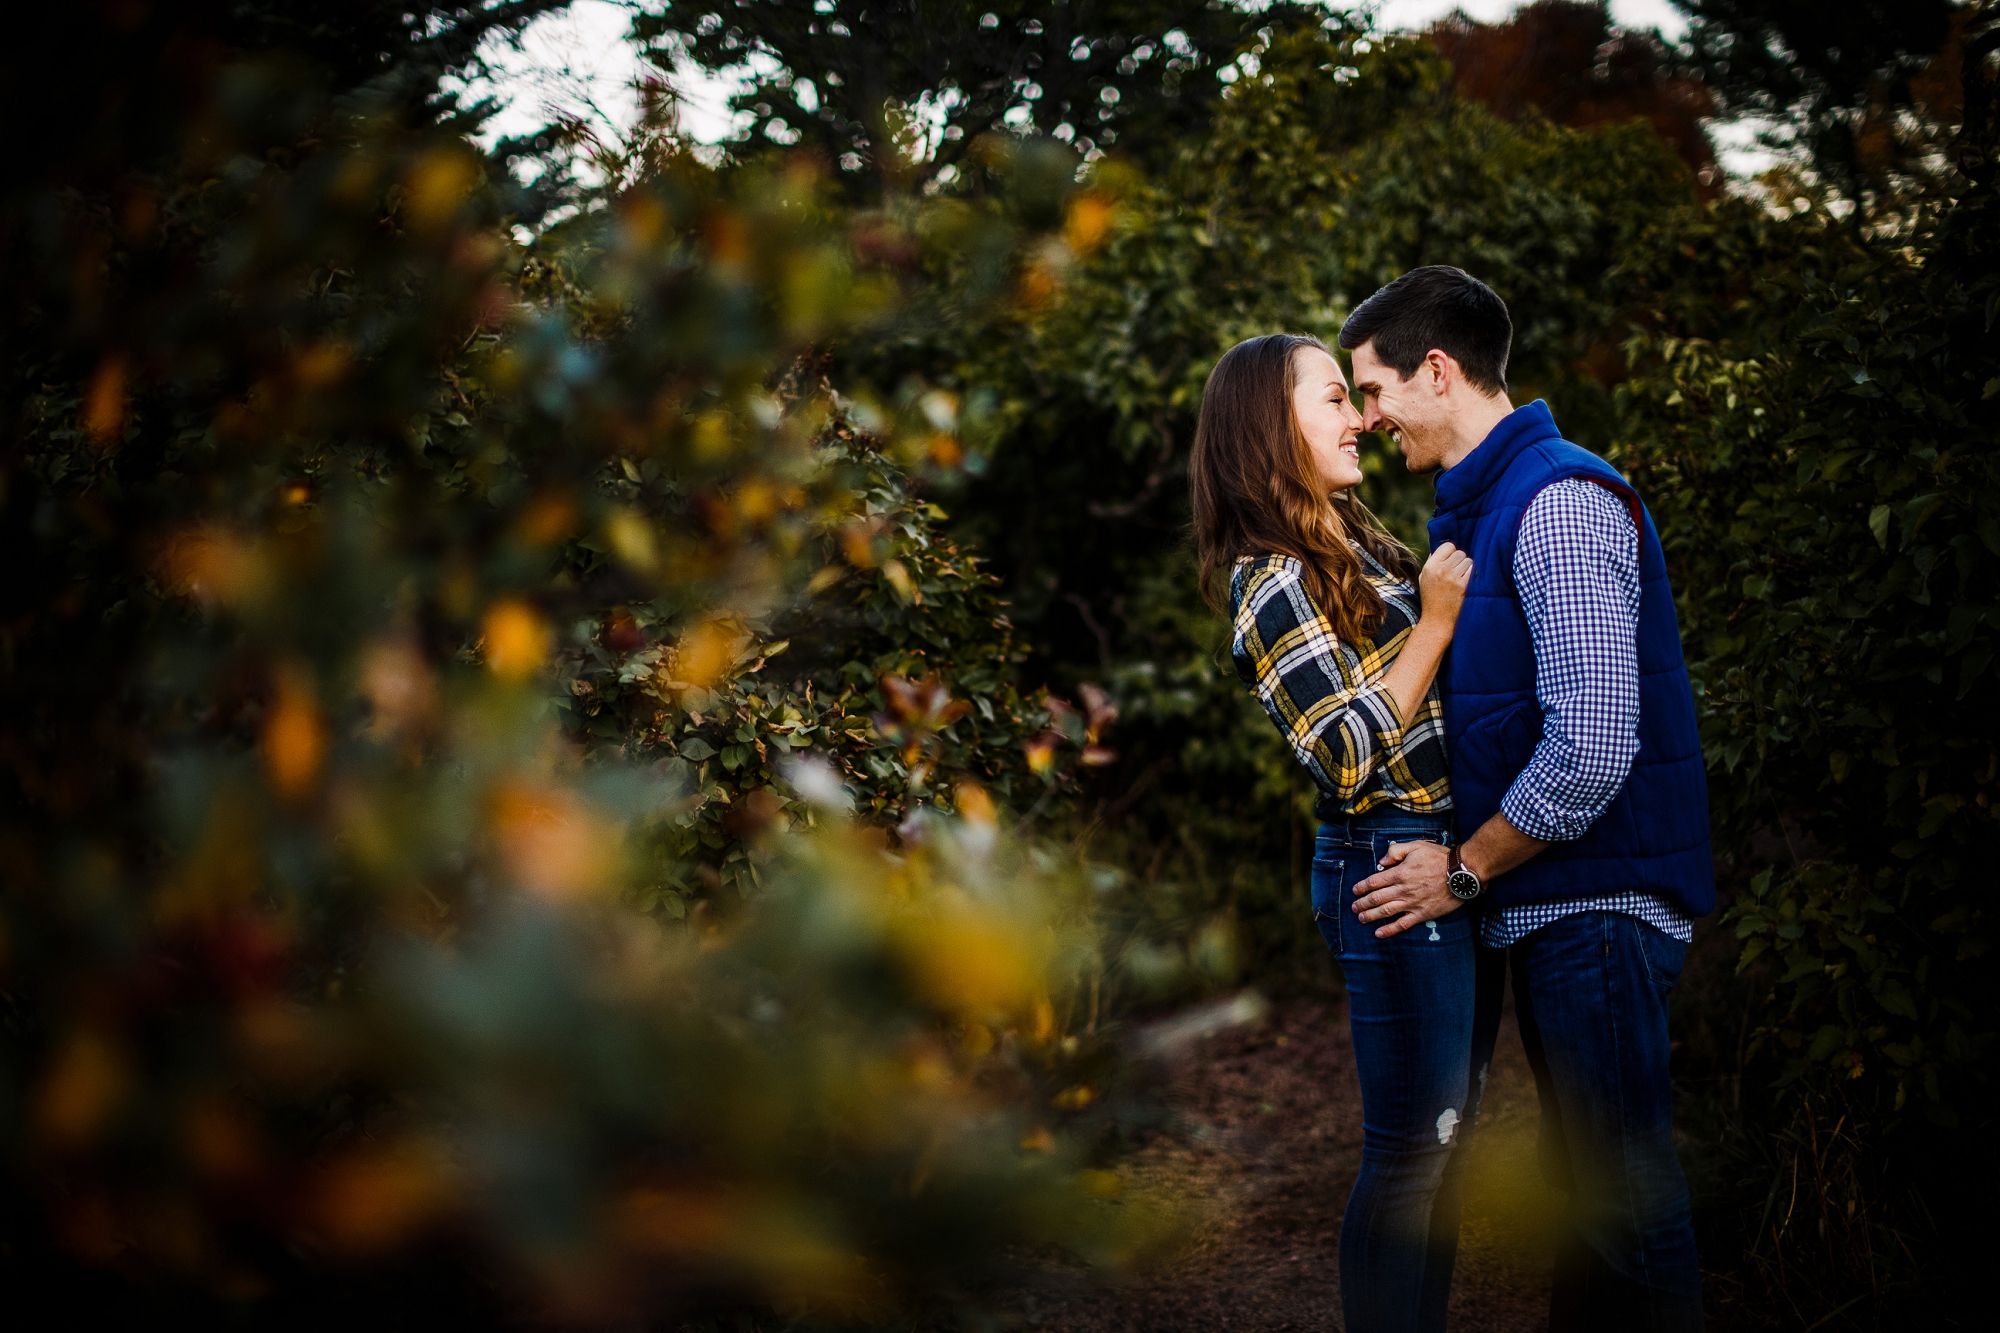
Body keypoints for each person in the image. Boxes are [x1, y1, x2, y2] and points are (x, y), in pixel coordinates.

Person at [1338, 266, 1713, 1332]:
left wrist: (1462, 871)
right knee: (1589, 1201)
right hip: (1562, 909)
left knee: (1622, 1201)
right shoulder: (1495, 509)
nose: (1367, 420)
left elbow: (1591, 747)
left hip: (1595, 912)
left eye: (1374, 390)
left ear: (1438, 371)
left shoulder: (1553, 503)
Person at [1190, 332, 1481, 1333]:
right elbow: (1345, 755)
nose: (1357, 415)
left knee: (1438, 1149)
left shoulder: (1351, 545)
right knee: (1412, 1150)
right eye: (1329, 398)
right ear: (1268, 431)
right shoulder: (1269, 576)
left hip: (1432, 851)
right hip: (1382, 853)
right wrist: (1435, 622)